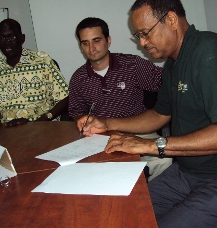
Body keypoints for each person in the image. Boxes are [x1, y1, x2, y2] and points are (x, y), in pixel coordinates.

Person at [78, 0, 217, 227]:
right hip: (190, 171)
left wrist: (150, 145)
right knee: (124, 213)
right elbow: (159, 114)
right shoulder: (173, 63)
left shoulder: (210, 52)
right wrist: (107, 123)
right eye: (138, 36)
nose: (142, 43)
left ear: (171, 20)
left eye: (145, 33)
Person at [71, 17, 172, 181]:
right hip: (101, 138)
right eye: (85, 43)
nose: (91, 48)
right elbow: (76, 111)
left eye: (96, 40)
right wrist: (81, 119)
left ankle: (153, 200)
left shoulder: (133, 65)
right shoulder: (78, 78)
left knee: (164, 160)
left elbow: (166, 83)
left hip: (140, 131)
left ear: (108, 40)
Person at [0, 18, 69, 128]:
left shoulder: (42, 61)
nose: (6, 42)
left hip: (43, 128)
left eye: (11, 36)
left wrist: (41, 121)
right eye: (2, 38)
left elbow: (65, 97)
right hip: (8, 133)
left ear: (22, 38)